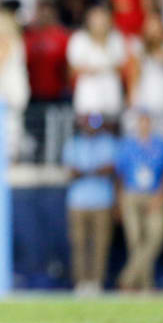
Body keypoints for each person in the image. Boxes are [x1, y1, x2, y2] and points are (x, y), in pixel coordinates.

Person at [61, 113, 117, 296]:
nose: (91, 127)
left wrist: (86, 171)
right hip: (78, 201)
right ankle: (81, 282)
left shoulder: (108, 142)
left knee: (100, 244)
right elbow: (71, 172)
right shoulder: (74, 143)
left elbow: (110, 168)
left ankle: (97, 282)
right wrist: (93, 170)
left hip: (102, 200)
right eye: (88, 123)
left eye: (95, 123)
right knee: (79, 243)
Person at [115, 109, 163, 292]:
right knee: (135, 240)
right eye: (141, 122)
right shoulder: (128, 145)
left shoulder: (161, 145)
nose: (144, 125)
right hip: (132, 194)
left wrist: (161, 196)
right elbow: (120, 175)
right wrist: (120, 201)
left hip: (153, 194)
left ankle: (127, 277)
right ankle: (145, 285)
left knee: (156, 236)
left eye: (146, 121)